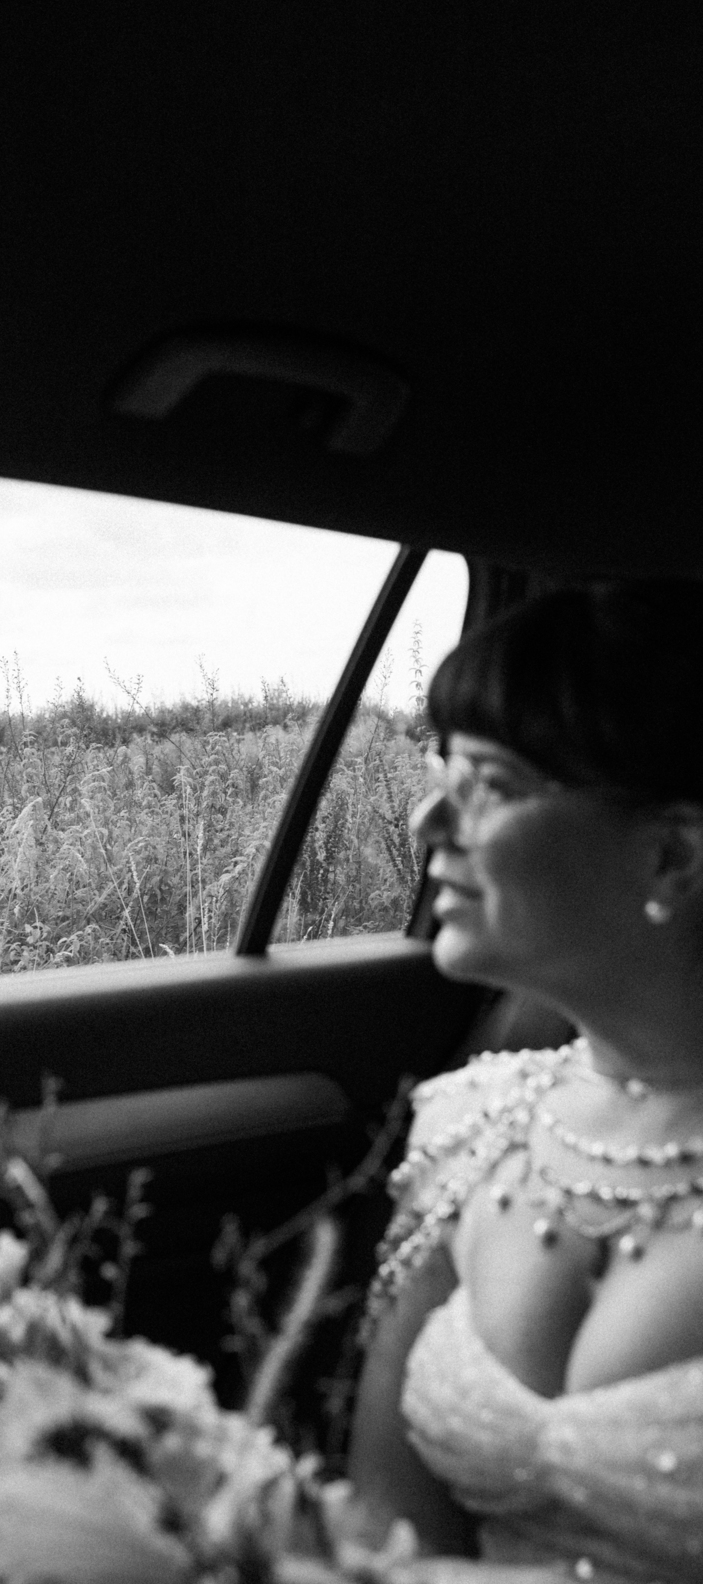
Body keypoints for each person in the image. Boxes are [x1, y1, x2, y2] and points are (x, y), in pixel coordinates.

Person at [326, 581, 703, 1583]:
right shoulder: (469, 1128)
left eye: (488, 783)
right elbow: (383, 1529)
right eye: (439, 770)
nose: (427, 819)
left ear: (670, 854)